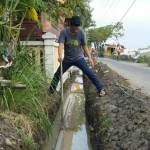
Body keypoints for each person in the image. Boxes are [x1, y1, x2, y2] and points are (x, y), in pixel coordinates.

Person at [48, 16, 105, 97]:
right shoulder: (64, 32)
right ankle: (50, 92)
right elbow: (60, 44)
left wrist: (89, 57)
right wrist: (60, 55)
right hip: (67, 59)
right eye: (76, 27)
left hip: (79, 58)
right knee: (57, 74)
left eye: (78, 27)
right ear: (71, 25)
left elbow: (84, 46)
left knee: (89, 72)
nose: (77, 29)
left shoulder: (81, 32)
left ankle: (101, 89)